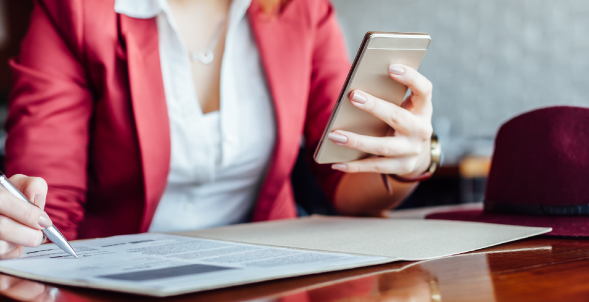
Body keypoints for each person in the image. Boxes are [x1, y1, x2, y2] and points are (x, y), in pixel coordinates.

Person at [2, 0, 434, 258]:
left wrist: (405, 162)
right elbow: (44, 209)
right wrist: (15, 228)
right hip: (116, 284)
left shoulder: (299, 10)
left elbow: (345, 180)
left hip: (272, 278)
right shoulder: (75, 12)